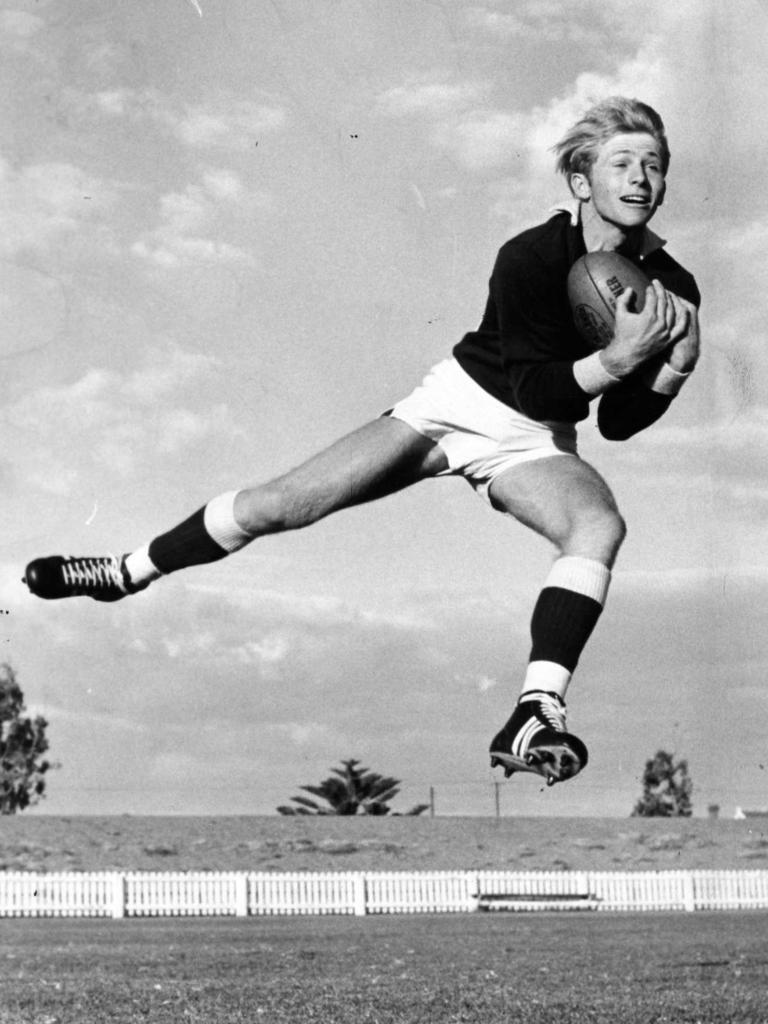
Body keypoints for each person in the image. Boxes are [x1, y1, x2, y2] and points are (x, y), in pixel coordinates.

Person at [24, 96, 700, 786]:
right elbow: (532, 385)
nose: (641, 177)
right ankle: (126, 571)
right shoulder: (529, 256)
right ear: (582, 183)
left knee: (598, 525)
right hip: (460, 401)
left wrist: (671, 371)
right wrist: (617, 360)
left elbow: (614, 423)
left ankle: (535, 709)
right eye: (623, 162)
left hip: (535, 438)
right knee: (280, 505)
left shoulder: (673, 286)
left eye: (654, 164)